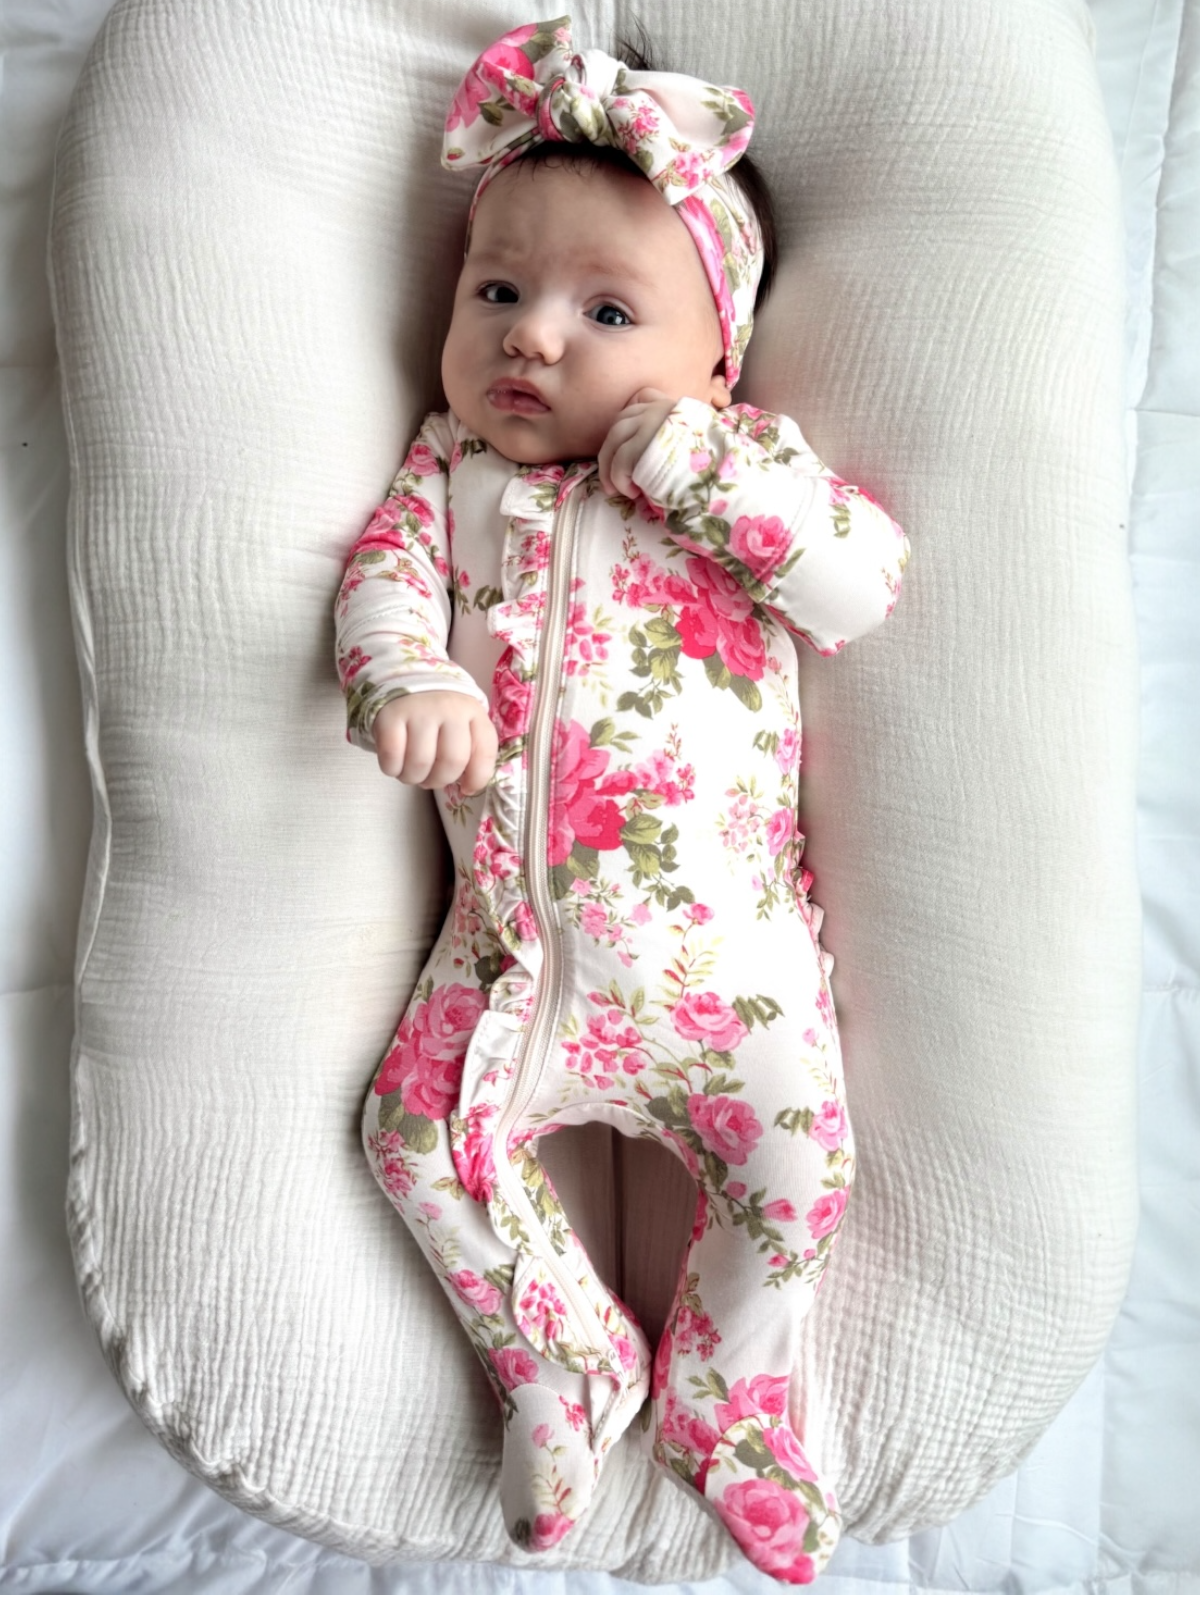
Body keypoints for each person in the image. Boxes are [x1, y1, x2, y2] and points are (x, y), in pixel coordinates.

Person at [334, 16, 908, 1584]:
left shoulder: (739, 467)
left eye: (606, 310)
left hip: (735, 976)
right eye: (497, 291)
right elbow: (380, 597)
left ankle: (728, 1391)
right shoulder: (445, 477)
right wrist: (411, 682)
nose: (532, 338)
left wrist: (709, 474)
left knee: (798, 1175)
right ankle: (564, 1359)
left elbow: (859, 587)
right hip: (514, 964)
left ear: (713, 353)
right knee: (410, 1136)